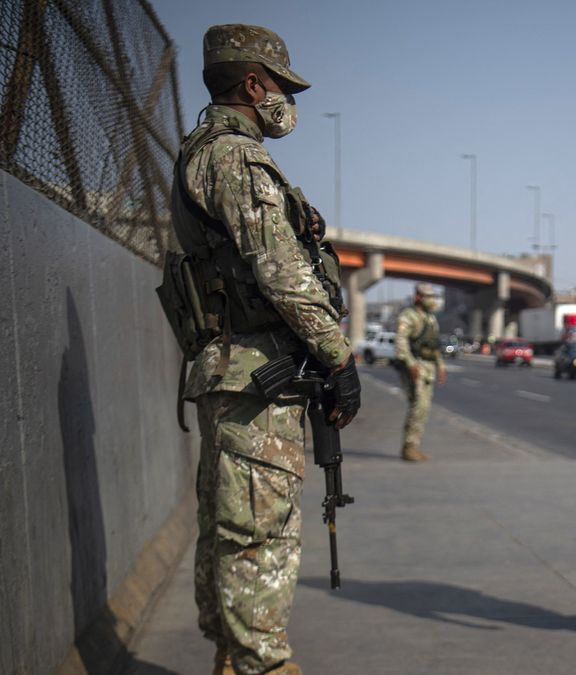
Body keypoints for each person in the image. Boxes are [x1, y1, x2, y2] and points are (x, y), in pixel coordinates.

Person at [170, 24, 360, 675]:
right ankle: (262, 664)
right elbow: (282, 272)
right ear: (253, 83)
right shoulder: (235, 158)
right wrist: (339, 356)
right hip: (253, 377)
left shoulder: (205, 150)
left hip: (237, 373)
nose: (287, 100)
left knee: (231, 529)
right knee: (259, 537)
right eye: (281, 86)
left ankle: (235, 655)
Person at [394, 283, 447, 461]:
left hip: (429, 367)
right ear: (418, 297)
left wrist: (440, 366)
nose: (431, 300)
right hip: (416, 366)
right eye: (427, 296)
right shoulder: (409, 316)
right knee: (418, 406)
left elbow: (434, 345)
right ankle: (409, 446)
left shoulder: (430, 318)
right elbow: (400, 341)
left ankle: (414, 445)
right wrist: (410, 364)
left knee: (424, 408)